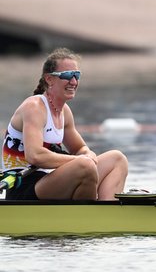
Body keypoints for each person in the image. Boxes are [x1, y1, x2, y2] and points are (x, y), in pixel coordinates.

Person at [1, 48, 129, 200]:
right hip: (24, 187)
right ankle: (87, 217)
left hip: (49, 180)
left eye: (77, 75)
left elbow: (79, 148)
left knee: (117, 159)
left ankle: (109, 212)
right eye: (68, 75)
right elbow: (35, 156)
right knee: (85, 167)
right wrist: (80, 160)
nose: (74, 82)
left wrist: (87, 154)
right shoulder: (34, 107)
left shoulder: (64, 112)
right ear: (49, 79)